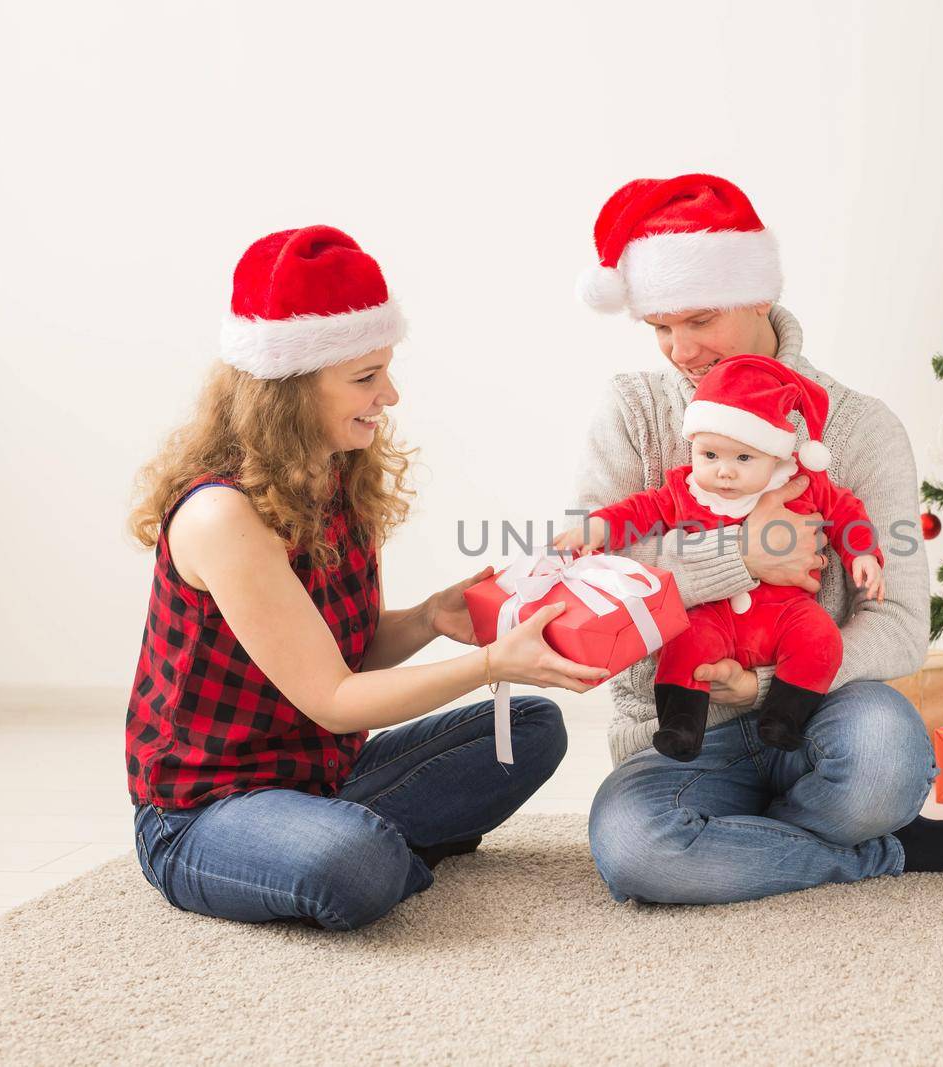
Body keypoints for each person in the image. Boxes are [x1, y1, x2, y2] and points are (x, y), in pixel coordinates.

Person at [573, 175, 943, 904]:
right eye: (660, 328)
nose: (681, 350)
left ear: (759, 294)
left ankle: (761, 844)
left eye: (699, 319)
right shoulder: (633, 412)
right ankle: (876, 852)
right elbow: (593, 582)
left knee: (884, 762)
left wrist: (766, 685)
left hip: (824, 711)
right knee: (634, 850)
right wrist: (739, 558)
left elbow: (901, 626)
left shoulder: (860, 427)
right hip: (685, 734)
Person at [124, 225, 603, 930]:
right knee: (354, 861)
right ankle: (360, 847)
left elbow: (343, 650)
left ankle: (349, 837)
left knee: (531, 726)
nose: (391, 395)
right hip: (203, 811)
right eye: (365, 378)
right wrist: (490, 662)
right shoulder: (221, 515)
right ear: (288, 389)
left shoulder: (336, 472)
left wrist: (430, 618)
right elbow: (336, 698)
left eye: (385, 369)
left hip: (322, 778)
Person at [554, 353, 885, 760]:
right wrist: (598, 528)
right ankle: (680, 725)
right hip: (711, 614)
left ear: (774, 455)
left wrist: (863, 554)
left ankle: (785, 716)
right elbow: (638, 512)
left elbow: (846, 513)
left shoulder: (799, 484)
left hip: (785, 614)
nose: (724, 472)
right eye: (710, 456)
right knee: (684, 643)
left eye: (743, 458)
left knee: (820, 639)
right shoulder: (685, 489)